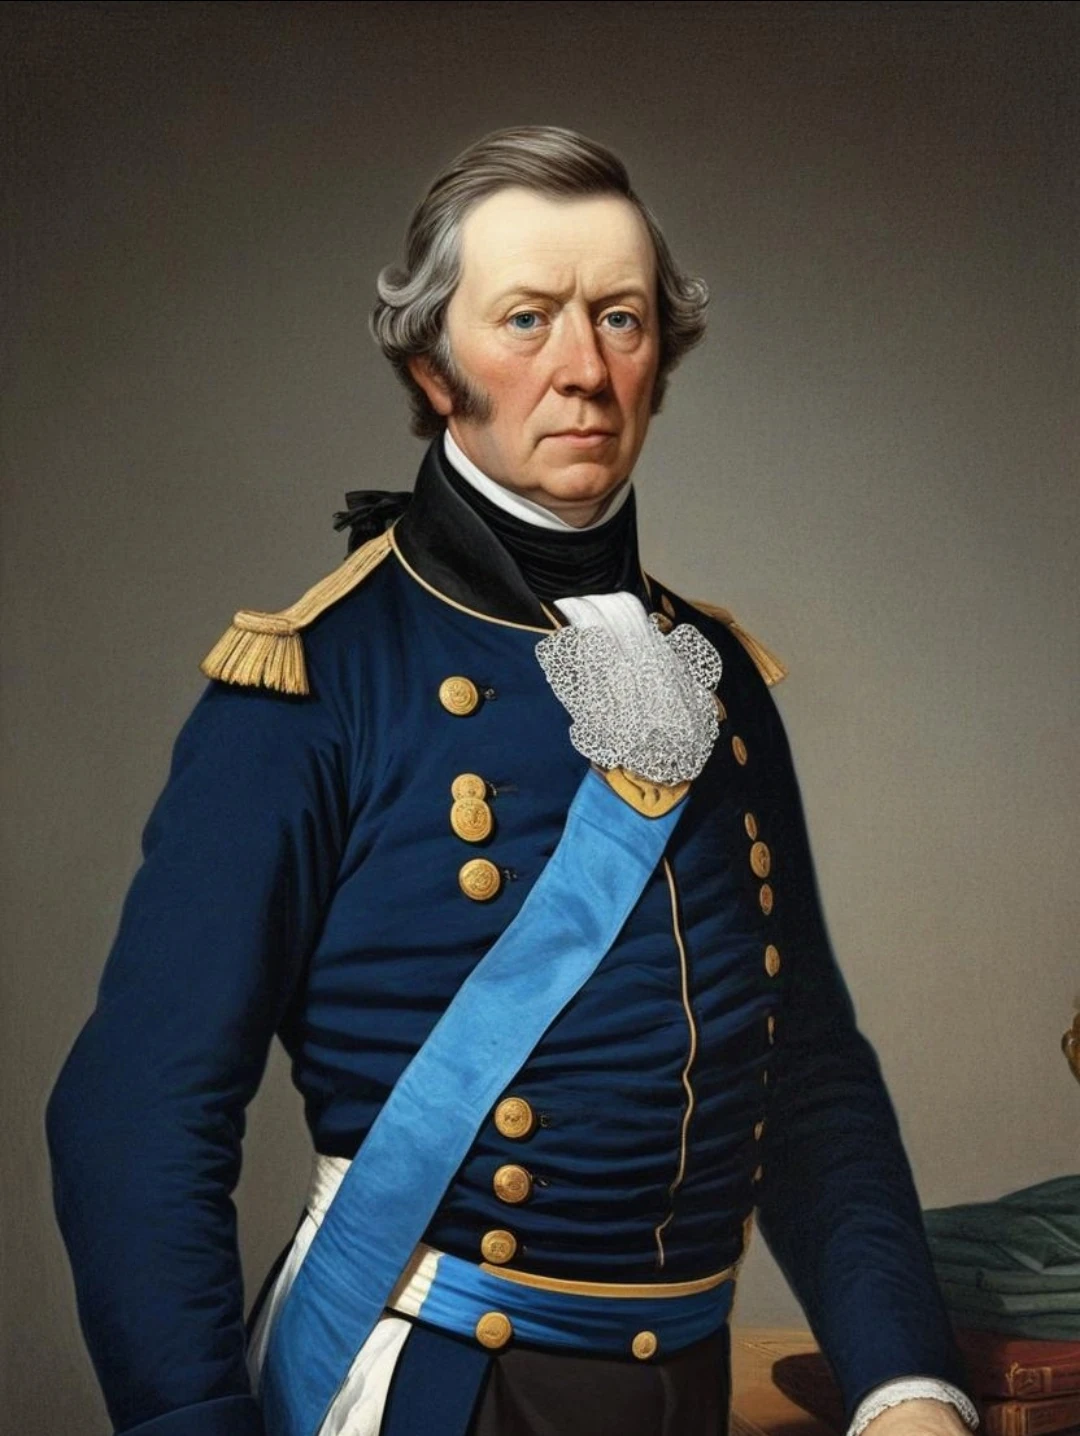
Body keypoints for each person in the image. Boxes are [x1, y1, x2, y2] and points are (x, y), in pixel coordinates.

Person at [47, 126, 978, 1436]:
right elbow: (135, 1119)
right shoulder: (314, 683)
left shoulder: (717, 679)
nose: (584, 370)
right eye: (528, 319)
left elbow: (806, 1074)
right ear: (433, 367)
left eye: (621, 319)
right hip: (433, 1388)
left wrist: (902, 1383)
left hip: (685, 1385)